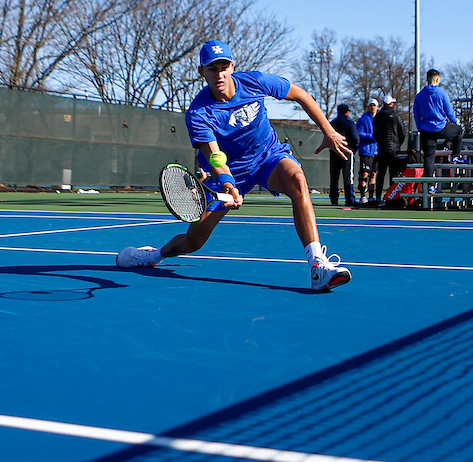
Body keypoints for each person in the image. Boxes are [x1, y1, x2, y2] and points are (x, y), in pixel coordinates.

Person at [116, 40, 354, 292]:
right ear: (201, 72)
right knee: (192, 242)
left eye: (224, 66)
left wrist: (328, 131)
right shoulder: (198, 113)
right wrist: (228, 184)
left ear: (232, 66)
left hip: (269, 156)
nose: (219, 74)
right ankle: (152, 256)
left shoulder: (256, 82)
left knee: (297, 180)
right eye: (211, 68)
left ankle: (318, 266)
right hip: (233, 171)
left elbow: (301, 95)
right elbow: (215, 157)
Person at [413, 69, 465, 178]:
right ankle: (455, 155)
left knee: (428, 157)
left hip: (426, 129)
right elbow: (449, 111)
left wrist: (419, 128)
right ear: (437, 79)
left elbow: (416, 115)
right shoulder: (442, 93)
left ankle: (429, 184)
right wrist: (456, 121)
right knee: (459, 131)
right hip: (440, 127)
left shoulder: (419, 96)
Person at [373, 93, 407, 205]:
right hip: (393, 149)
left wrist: (380, 143)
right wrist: (397, 144)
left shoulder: (378, 117)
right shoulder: (396, 116)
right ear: (391, 103)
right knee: (394, 174)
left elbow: (375, 134)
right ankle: (392, 196)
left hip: (382, 149)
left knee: (381, 174)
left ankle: (378, 197)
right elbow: (403, 132)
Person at [328, 103, 359, 206]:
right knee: (348, 177)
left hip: (334, 152)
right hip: (347, 152)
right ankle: (349, 199)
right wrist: (352, 150)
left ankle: (334, 198)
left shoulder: (332, 123)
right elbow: (356, 139)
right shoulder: (350, 124)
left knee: (334, 176)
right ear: (347, 112)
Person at [355, 99, 379, 203]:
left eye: (374, 105)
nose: (373, 107)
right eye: (371, 105)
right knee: (365, 174)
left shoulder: (380, 119)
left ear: (377, 107)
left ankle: (371, 196)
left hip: (376, 151)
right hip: (366, 151)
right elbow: (359, 133)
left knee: (373, 174)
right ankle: (362, 196)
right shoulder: (363, 119)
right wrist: (373, 137)